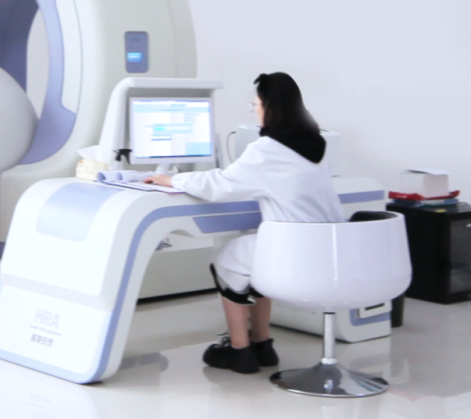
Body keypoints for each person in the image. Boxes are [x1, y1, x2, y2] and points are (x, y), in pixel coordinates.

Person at [146, 72, 344, 374]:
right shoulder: (317, 145)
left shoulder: (267, 150)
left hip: (295, 253)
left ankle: (240, 350)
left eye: (255, 105)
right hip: (327, 251)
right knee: (253, 260)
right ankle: (263, 344)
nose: (254, 111)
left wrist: (172, 180)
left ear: (270, 108)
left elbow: (220, 185)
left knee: (225, 260)